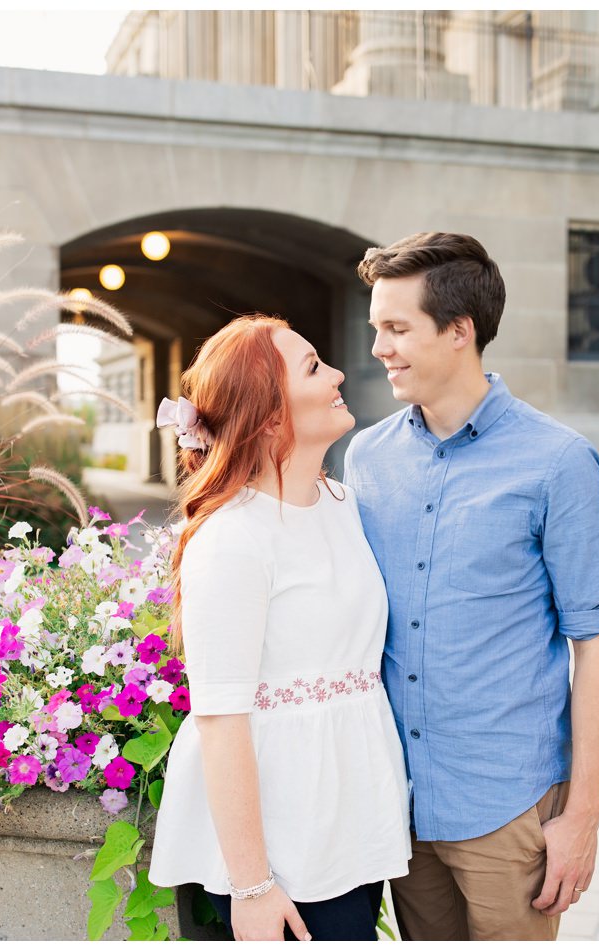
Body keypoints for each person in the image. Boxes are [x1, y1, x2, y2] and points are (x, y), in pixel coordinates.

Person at [343, 232, 599, 940]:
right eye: (378, 327)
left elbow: (597, 644)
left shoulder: (558, 462)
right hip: (398, 806)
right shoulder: (368, 458)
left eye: (398, 328)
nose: (380, 347)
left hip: (508, 806)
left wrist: (581, 816)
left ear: (460, 331)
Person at [147, 315, 411, 940]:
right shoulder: (233, 538)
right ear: (269, 415)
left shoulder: (343, 505)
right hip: (269, 844)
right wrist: (253, 886)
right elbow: (221, 718)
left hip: (344, 817)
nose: (341, 373)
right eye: (315, 367)